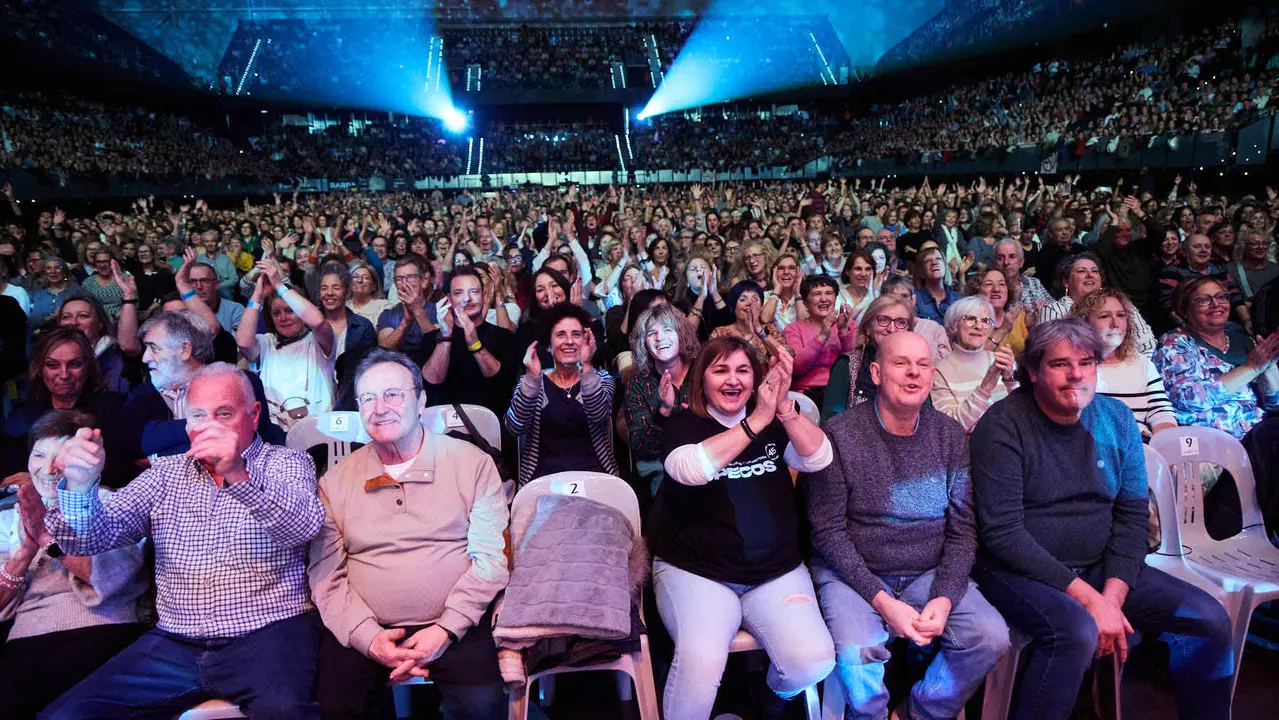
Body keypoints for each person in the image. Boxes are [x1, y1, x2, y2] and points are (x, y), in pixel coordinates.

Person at [970, 319, 1235, 720]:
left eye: (1087, 362)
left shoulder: (1117, 419)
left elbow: (1131, 515)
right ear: (1034, 371)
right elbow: (1003, 533)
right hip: (1018, 571)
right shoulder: (1003, 425)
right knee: (1075, 632)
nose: (1076, 374)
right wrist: (1089, 599)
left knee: (1208, 619)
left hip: (1099, 568)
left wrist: (1111, 597)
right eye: (1060, 364)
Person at [40, 363, 326, 718]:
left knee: (285, 711)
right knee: (66, 715)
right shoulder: (165, 473)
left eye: (224, 413)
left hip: (267, 632)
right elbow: (93, 538)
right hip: (176, 641)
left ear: (253, 415)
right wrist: (80, 488)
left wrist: (239, 475)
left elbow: (304, 527)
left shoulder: (286, 462)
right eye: (198, 416)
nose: (209, 426)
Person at [808, 332, 1009, 720]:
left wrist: (944, 596)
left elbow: (963, 528)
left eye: (922, 365)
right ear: (877, 372)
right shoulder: (841, 434)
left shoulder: (948, 435)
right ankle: (872, 715)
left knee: (988, 636)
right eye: (902, 364)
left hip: (927, 570)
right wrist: (883, 602)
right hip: (854, 573)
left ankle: (925, 710)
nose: (914, 373)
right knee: (857, 647)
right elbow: (827, 533)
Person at [309, 349, 509, 720]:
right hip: (366, 627)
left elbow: (490, 561)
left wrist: (446, 629)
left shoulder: (471, 463)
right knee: (334, 706)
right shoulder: (336, 481)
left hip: (456, 621)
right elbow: (326, 577)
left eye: (392, 394)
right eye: (368, 398)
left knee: (482, 706)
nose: (379, 407)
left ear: (421, 400)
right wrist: (369, 639)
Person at [649, 335, 835, 719]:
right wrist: (755, 423)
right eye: (721, 371)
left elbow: (818, 458)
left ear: (756, 379)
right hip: (697, 571)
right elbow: (690, 470)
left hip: (775, 570)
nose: (732, 380)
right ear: (702, 379)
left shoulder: (774, 417)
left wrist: (783, 408)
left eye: (742, 371)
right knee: (700, 663)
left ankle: (767, 701)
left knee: (813, 661)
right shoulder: (683, 425)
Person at [0, 410, 148, 719]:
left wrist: (49, 542)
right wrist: (25, 551)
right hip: (24, 642)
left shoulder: (110, 504)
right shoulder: (9, 518)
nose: (48, 469)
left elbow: (116, 579)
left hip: (101, 631)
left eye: (63, 455)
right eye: (39, 454)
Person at [108, 311, 282, 486]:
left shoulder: (238, 382)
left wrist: (156, 457)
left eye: (154, 348)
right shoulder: (144, 393)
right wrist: (199, 426)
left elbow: (244, 442)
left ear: (185, 350)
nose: (145, 358)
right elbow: (125, 445)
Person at [505, 302, 617, 487]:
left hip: (594, 478)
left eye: (576, 334)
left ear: (587, 341)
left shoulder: (601, 378)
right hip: (543, 481)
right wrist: (532, 379)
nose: (570, 341)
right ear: (549, 345)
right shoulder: (531, 382)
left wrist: (587, 366)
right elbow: (514, 427)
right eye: (560, 335)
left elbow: (599, 417)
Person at [1153, 276, 1279, 439]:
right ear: (1185, 310)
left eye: (1221, 297)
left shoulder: (1245, 341)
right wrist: (1250, 368)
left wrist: (1267, 365)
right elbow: (1187, 400)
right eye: (1203, 300)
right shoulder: (1175, 343)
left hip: (1258, 434)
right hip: (1211, 442)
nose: (1216, 304)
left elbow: (1274, 404)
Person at [2, 328, 125, 478]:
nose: (64, 375)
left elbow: (122, 469)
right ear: (39, 369)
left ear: (88, 367)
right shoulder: (21, 419)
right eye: (52, 365)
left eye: (74, 364)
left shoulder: (115, 408)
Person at [237, 258, 337, 430]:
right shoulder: (267, 342)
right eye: (276, 313)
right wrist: (257, 296)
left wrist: (279, 286)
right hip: (276, 431)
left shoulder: (317, 340)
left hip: (319, 429)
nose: (283, 318)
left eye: (290, 311)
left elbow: (319, 322)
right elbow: (243, 342)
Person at [1071, 289, 1177, 437]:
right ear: (1084, 323)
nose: (1115, 323)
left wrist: (1165, 441)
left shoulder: (1142, 363)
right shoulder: (1072, 366)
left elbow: (1160, 411)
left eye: (1121, 315)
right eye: (1104, 316)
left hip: (1141, 448)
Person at [624, 303, 700, 498]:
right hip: (660, 467)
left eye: (668, 330)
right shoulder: (638, 384)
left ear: (681, 335)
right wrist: (664, 411)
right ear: (644, 343)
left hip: (706, 458)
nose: (660, 338)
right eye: (651, 333)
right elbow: (641, 446)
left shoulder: (703, 372)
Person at [423, 266, 519, 417]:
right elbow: (431, 383)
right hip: (443, 428)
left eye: (474, 291)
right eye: (458, 293)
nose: (467, 298)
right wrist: (446, 337)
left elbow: (503, 384)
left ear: (484, 295)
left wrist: (475, 344)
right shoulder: (432, 339)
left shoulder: (504, 337)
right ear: (448, 299)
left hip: (491, 426)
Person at [930, 296, 1018, 433]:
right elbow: (950, 428)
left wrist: (1010, 380)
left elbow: (1026, 412)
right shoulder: (938, 372)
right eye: (970, 319)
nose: (978, 326)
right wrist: (984, 389)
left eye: (985, 321)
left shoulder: (1001, 361)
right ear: (953, 327)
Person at [1040, 253, 1157, 356]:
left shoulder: (1122, 305)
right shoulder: (1055, 309)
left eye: (1094, 271)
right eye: (1081, 271)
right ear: (1066, 281)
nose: (1089, 275)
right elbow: (1051, 351)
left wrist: (1138, 371)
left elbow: (1148, 345)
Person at [822, 294, 915, 420]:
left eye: (901, 322)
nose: (892, 329)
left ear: (909, 330)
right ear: (868, 328)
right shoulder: (847, 365)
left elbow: (927, 422)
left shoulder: (916, 369)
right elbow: (831, 422)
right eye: (883, 320)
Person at [783, 275, 856, 407]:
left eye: (829, 293)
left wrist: (844, 331)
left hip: (842, 393)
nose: (824, 299)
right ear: (805, 302)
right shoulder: (794, 329)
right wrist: (822, 336)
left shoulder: (850, 325)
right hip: (805, 396)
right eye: (816, 294)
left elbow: (855, 365)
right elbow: (798, 367)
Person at [316, 264, 377, 412]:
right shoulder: (311, 325)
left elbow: (368, 370)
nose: (329, 293)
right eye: (324, 288)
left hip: (351, 400)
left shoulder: (363, 326)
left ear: (346, 292)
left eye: (336, 288)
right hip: (316, 397)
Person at [57, 294, 130, 394]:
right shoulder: (49, 356)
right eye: (66, 317)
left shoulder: (115, 359)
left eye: (83, 316)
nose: (73, 322)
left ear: (100, 323)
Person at [376, 255, 439, 366]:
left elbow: (436, 346)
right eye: (399, 279)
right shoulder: (388, 314)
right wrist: (406, 322)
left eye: (410, 277)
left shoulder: (439, 311)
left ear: (423, 281)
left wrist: (418, 311)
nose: (404, 283)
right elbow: (384, 350)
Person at [710, 280, 790, 367]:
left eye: (755, 299)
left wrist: (760, 331)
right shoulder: (720, 333)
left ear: (761, 306)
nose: (749, 303)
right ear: (732, 307)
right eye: (742, 299)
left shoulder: (770, 330)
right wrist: (748, 336)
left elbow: (788, 358)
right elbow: (716, 364)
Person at [187, 260, 245, 335]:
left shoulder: (235, 310)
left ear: (216, 285)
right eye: (193, 282)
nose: (199, 287)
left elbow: (236, 344)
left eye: (205, 281)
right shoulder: (183, 311)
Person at [992, 237, 1052, 309]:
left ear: (1021, 262)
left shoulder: (1034, 284)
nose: (1006, 262)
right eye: (1000, 258)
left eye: (1012, 257)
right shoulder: (990, 290)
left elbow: (1055, 309)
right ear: (994, 263)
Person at [29, 257, 83, 328]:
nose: (53, 271)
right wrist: (52, 317)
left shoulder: (77, 291)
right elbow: (34, 321)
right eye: (48, 268)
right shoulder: (40, 295)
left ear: (64, 272)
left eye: (57, 267)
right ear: (45, 273)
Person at [912, 247, 962, 323]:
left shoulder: (960, 299)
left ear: (945, 266)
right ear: (921, 272)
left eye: (938, 258)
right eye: (927, 261)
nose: (934, 262)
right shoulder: (914, 300)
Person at [835, 250, 876, 322]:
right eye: (858, 269)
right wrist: (867, 299)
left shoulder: (876, 296)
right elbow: (841, 325)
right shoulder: (837, 296)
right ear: (847, 271)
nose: (863, 274)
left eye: (868, 269)